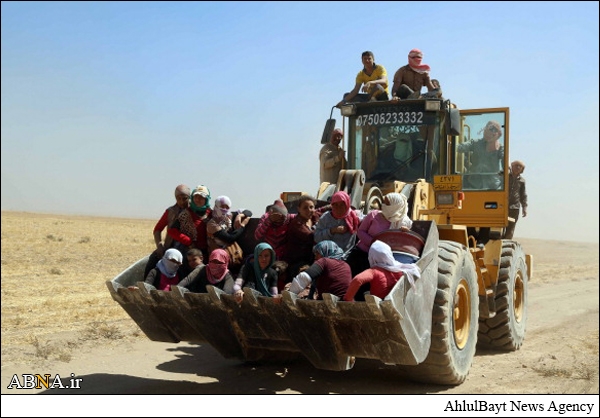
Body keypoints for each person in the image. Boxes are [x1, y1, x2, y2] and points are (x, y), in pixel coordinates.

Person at [345, 192, 413, 276]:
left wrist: (404, 232)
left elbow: (402, 243)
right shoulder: (373, 215)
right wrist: (373, 243)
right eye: (383, 202)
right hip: (362, 253)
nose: (383, 205)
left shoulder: (401, 222)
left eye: (387, 203)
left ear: (395, 206)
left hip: (381, 259)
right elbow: (360, 231)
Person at [344, 240, 421, 301]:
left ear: (371, 256)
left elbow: (358, 279)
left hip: (379, 304)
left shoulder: (374, 271)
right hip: (396, 302)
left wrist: (348, 299)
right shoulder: (399, 268)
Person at [143, 184, 191, 279]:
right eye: (178, 198)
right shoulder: (170, 212)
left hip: (188, 247)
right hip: (171, 247)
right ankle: (145, 285)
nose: (181, 201)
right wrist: (160, 246)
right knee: (153, 259)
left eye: (184, 198)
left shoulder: (193, 211)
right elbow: (157, 229)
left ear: (189, 198)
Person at [287, 240, 352, 300]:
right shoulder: (346, 265)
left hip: (331, 303)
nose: (315, 257)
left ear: (326, 251)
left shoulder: (325, 261)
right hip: (344, 301)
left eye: (318, 253)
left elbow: (304, 277)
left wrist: (289, 295)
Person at [168, 185, 212, 263]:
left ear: (206, 199)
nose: (198, 200)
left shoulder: (211, 214)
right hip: (189, 252)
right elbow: (172, 231)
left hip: (207, 252)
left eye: (201, 197)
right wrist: (188, 241)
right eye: (196, 197)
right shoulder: (186, 214)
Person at [206, 195, 251, 272]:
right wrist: (243, 225)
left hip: (231, 254)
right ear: (216, 206)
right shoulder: (212, 223)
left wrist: (240, 215)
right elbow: (230, 238)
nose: (224, 209)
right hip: (218, 256)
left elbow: (249, 212)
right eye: (222, 206)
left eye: (227, 207)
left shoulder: (229, 216)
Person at [282, 195, 320, 282]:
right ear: (298, 209)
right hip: (297, 263)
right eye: (305, 208)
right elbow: (311, 237)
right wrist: (330, 231)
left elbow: (322, 210)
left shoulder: (314, 218)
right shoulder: (296, 224)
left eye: (311, 207)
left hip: (311, 259)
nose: (309, 210)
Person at [457, 120, 505, 190]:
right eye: (487, 130)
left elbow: (505, 164)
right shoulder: (475, 143)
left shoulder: (500, 148)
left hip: (493, 188)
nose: (488, 133)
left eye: (493, 131)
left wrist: (494, 143)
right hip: (473, 186)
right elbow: (460, 148)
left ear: (497, 134)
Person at [314, 191, 360, 255]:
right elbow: (317, 237)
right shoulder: (326, 217)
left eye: (342, 204)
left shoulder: (354, 216)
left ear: (347, 204)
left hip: (348, 255)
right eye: (335, 204)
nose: (338, 208)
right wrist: (332, 231)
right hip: (328, 255)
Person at [504, 160, 528, 239]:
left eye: (520, 166)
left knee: (510, 228)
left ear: (522, 169)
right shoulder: (505, 176)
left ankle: (506, 244)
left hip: (514, 207)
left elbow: (523, 195)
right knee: (500, 226)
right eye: (516, 165)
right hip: (503, 205)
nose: (518, 167)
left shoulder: (522, 181)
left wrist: (524, 208)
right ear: (512, 166)